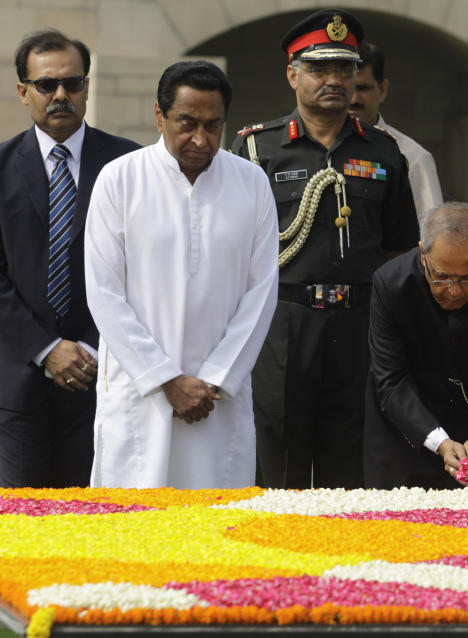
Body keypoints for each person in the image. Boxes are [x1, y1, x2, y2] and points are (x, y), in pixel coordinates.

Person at [231, 9, 419, 489]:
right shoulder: (257, 150)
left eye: (345, 68)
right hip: (284, 319)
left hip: (359, 322)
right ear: (292, 74)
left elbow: (400, 250)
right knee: (279, 453)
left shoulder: (383, 152)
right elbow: (231, 249)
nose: (334, 80)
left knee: (351, 453)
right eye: (319, 69)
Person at [84, 61, 279, 488]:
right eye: (187, 123)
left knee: (217, 532)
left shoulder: (251, 183)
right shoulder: (120, 179)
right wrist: (166, 380)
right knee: (132, 531)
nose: (200, 138)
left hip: (217, 400)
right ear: (159, 115)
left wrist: (214, 380)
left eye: (213, 125)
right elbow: (103, 292)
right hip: (141, 394)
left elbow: (261, 293)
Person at [0, 30, 138, 488]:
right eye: (46, 85)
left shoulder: (129, 166)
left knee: (98, 526)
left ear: (87, 87)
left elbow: (142, 270)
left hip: (107, 376)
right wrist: (47, 349)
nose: (61, 95)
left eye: (73, 83)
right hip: (18, 384)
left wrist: (91, 346)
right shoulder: (0, 168)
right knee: (23, 529)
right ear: (23, 91)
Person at [365, 202, 468, 489]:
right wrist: (439, 442)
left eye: (467, 278)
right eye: (441, 277)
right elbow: (390, 379)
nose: (454, 291)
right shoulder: (390, 283)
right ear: (422, 254)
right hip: (404, 436)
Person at [349, 40, 443, 219]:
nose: (354, 99)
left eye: (363, 88)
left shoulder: (412, 156)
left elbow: (433, 234)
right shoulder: (318, 150)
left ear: (382, 90)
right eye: (349, 88)